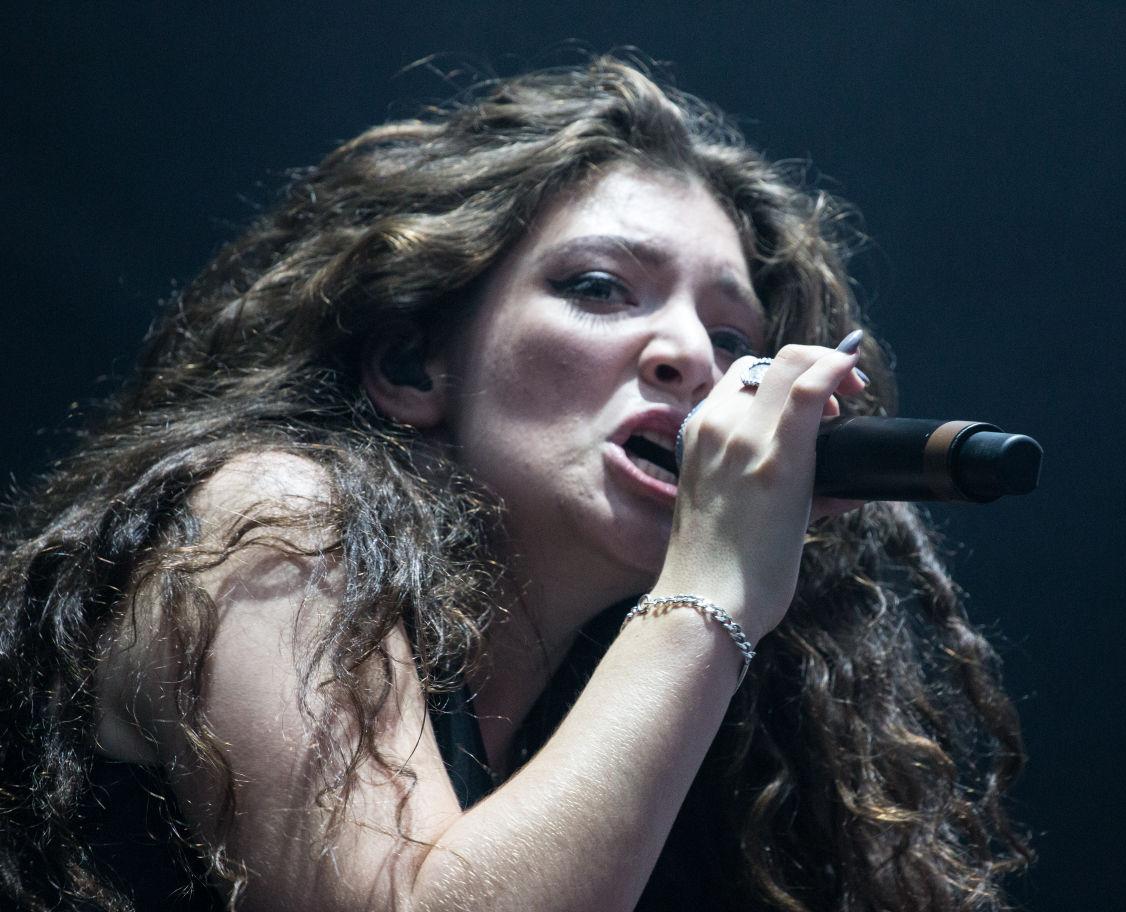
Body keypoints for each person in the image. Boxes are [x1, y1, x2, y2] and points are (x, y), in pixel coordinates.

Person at [0, 57, 1030, 911]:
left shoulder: (623, 736)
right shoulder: (268, 522)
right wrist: (715, 586)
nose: (692, 357)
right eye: (599, 289)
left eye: (733, 336)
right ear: (413, 367)